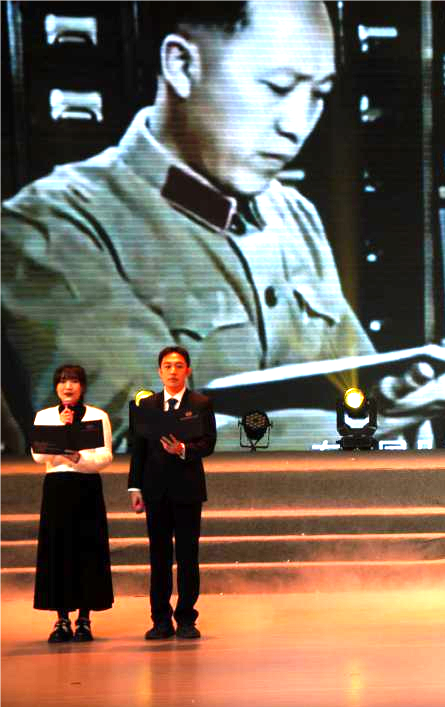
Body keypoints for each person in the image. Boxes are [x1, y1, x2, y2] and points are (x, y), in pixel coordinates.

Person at [0, 0, 372, 448]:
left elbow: (360, 387)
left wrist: (419, 395)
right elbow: (136, 441)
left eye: (318, 94)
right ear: (180, 65)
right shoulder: (50, 227)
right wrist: (355, 429)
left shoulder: (294, 215)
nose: (296, 125)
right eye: (278, 86)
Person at [128, 346, 216, 639]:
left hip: (188, 489)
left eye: (179, 366)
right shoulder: (148, 405)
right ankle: (160, 620)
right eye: (167, 366)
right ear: (159, 371)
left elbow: (208, 443)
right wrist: (135, 486)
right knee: (159, 557)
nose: (173, 371)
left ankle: (187, 618)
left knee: (188, 556)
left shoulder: (200, 403)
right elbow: (139, 450)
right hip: (155, 491)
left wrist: (183, 449)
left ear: (188, 370)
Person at [30, 365, 114, 643]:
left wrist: (80, 458)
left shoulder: (97, 416)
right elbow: (38, 456)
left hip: (86, 487)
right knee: (59, 552)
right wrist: (61, 430)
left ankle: (85, 620)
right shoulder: (44, 416)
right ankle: (62, 619)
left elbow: (105, 456)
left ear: (83, 386)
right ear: (56, 386)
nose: (68, 386)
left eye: (74, 381)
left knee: (88, 550)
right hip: (57, 488)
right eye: (63, 381)